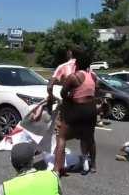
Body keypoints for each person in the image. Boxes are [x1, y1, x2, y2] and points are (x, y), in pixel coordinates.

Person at [54, 47, 98, 176]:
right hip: (91, 109)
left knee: (61, 137)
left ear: (77, 64)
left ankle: (57, 169)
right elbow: (96, 91)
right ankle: (93, 165)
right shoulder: (93, 76)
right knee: (90, 138)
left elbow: (63, 93)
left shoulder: (74, 77)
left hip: (77, 109)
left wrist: (71, 97)